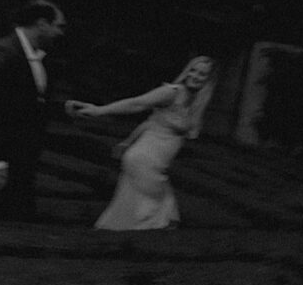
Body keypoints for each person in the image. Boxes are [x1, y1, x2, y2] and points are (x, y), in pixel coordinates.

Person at [66, 55, 216, 230]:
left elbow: (150, 123)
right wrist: (100, 110)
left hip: (155, 163)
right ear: (187, 71)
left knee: (131, 215)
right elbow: (137, 103)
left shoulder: (196, 103)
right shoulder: (171, 92)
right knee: (158, 218)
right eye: (193, 70)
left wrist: (127, 142)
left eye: (202, 74)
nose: (195, 76)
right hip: (144, 162)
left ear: (209, 80)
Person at [0, 0, 68, 221]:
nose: (61, 33)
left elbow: (27, 101)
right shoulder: (1, 52)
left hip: (23, 155)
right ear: (42, 24)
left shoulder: (39, 57)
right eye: (59, 26)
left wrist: (64, 108)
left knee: (19, 218)